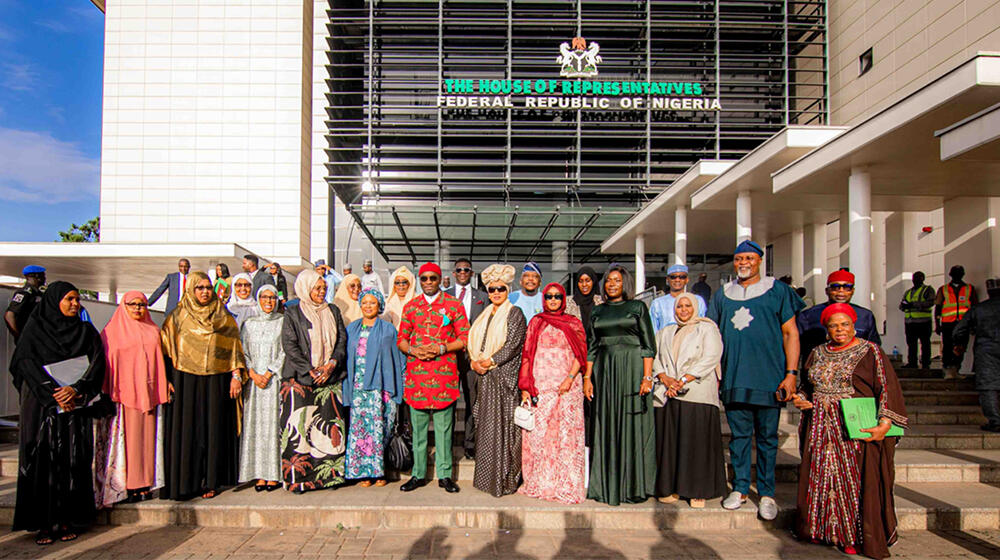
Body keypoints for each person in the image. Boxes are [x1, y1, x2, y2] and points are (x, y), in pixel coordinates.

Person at [792, 303, 907, 559]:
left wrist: (885, 424)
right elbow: (806, 386)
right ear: (826, 329)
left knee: (854, 482)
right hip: (821, 428)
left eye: (844, 324)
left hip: (855, 428)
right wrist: (801, 398)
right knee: (822, 479)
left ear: (854, 325)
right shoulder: (817, 352)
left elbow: (887, 388)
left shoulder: (871, 351)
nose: (839, 329)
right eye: (833, 325)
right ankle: (823, 530)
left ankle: (852, 536)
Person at [709, 240, 804, 520]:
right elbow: (713, 334)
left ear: (759, 260)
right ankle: (739, 488)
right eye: (739, 258)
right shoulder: (723, 294)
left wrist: (791, 374)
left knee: (766, 439)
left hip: (769, 378)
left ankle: (766, 493)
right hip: (735, 377)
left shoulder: (778, 291)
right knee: (738, 438)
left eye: (749, 258)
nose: (743, 263)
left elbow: (791, 334)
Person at [9, 282, 106, 545]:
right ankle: (43, 523)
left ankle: (68, 519)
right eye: (69, 299)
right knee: (43, 460)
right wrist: (54, 392)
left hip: (74, 409)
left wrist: (75, 390)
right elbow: (24, 364)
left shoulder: (86, 331)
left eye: (77, 299)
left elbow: (97, 364)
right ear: (54, 301)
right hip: (43, 409)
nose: (75, 304)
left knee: (72, 460)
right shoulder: (34, 330)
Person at [160, 271, 246, 500]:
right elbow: (165, 352)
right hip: (184, 383)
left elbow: (234, 348)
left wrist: (236, 375)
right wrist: (165, 380)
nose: (205, 291)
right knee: (188, 430)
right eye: (200, 288)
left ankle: (210, 481)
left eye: (208, 287)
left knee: (212, 429)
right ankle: (186, 482)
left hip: (216, 382)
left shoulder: (223, 316)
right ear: (191, 290)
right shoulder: (177, 318)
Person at [585, 264, 657, 506]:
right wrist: (587, 378)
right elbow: (592, 347)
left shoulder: (637, 307)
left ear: (624, 283)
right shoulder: (597, 311)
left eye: (616, 280)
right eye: (608, 281)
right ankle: (605, 486)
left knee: (631, 424)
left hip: (632, 368)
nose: (611, 284)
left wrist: (647, 377)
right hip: (604, 372)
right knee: (606, 424)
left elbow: (648, 345)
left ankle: (632, 486)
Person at [396, 263, 470, 494]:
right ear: (420, 280)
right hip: (417, 376)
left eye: (433, 278)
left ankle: (445, 475)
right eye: (424, 278)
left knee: (444, 430)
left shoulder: (453, 305)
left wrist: (442, 348)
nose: (428, 282)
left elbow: (465, 337)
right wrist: (412, 350)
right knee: (418, 430)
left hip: (443, 376)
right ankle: (418, 474)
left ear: (440, 279)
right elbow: (401, 339)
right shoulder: (411, 306)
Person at [651, 293, 726, 509]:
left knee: (695, 444)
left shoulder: (707, 328)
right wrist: (664, 377)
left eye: (687, 306)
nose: (683, 310)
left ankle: (697, 490)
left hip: (696, 393)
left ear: (695, 307)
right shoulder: (666, 331)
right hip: (669, 393)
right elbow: (654, 356)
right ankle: (672, 487)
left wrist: (683, 380)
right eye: (679, 306)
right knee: (672, 444)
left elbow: (711, 357)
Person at [518, 282, 588, 504]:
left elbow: (581, 355)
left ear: (563, 299)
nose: (553, 300)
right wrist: (525, 386)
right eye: (549, 296)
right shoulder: (536, 322)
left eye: (558, 296)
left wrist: (569, 379)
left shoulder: (574, 323)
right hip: (541, 387)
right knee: (539, 437)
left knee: (565, 437)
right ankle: (541, 482)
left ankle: (564, 484)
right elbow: (527, 355)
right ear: (544, 299)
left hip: (567, 388)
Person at [97, 291, 169, 506]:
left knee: (147, 441)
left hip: (149, 393)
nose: (138, 308)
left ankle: (144, 483)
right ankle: (123, 486)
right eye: (133, 304)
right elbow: (104, 364)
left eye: (142, 305)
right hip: (123, 395)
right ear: (123, 305)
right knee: (126, 441)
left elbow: (161, 360)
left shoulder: (153, 330)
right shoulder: (111, 332)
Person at [280, 270, 348, 493]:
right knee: (301, 430)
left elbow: (341, 340)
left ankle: (329, 477)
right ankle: (299, 479)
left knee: (330, 429)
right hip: (300, 381)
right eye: (317, 289)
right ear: (305, 289)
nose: (321, 292)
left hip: (330, 378)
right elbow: (290, 345)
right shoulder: (292, 312)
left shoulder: (333, 310)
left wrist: (331, 364)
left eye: (324, 289)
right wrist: (310, 370)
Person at [467, 264, 526, 497]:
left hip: (503, 380)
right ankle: (486, 479)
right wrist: (474, 362)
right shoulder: (485, 313)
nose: (496, 293)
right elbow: (474, 342)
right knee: (486, 429)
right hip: (484, 377)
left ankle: (505, 480)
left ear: (508, 289)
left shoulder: (515, 313)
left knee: (505, 431)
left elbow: (513, 345)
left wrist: (488, 362)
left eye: (501, 289)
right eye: (492, 290)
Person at [344, 288, 405, 486]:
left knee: (381, 430)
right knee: (361, 431)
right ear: (360, 305)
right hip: (359, 388)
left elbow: (397, 358)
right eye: (365, 303)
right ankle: (364, 473)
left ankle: (380, 473)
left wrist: (399, 384)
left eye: (372, 303)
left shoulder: (388, 329)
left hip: (381, 388)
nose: (368, 306)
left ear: (379, 305)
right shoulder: (351, 329)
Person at [238, 285, 285, 492]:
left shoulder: (282, 322)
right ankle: (258, 474)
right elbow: (243, 351)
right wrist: (252, 373)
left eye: (272, 297)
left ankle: (273, 474)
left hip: (273, 381)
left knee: (273, 427)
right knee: (255, 428)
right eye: (265, 297)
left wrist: (268, 373)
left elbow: (285, 351)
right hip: (254, 385)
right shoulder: (249, 324)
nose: (269, 301)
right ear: (258, 299)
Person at [445, 258, 487, 459]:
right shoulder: (445, 297)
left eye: (466, 270)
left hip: (472, 358)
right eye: (459, 270)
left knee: (472, 401)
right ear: (454, 273)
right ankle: (448, 444)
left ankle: (470, 444)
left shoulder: (483, 297)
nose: (462, 272)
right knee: (448, 402)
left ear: (471, 273)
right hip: (450, 357)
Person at [796, 269, 882, 365]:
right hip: (817, 373)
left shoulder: (865, 316)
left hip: (856, 374)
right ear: (827, 291)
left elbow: (874, 349)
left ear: (853, 291)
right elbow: (795, 348)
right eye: (835, 287)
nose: (841, 291)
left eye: (847, 287)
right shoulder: (807, 316)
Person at [953, 279, 1000, 432]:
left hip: (986, 351)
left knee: (988, 386)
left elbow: (959, 330)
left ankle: (995, 421)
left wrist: (959, 344)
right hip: (987, 350)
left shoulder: (978, 309)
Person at [936, 265, 979, 377]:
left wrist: (974, 324)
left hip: (963, 323)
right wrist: (937, 324)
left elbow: (975, 307)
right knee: (947, 346)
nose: (957, 275)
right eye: (955, 273)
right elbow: (938, 308)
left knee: (960, 347)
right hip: (948, 323)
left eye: (959, 273)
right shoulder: (943, 289)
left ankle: (955, 369)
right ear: (951, 275)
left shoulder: (969, 288)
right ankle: (947, 368)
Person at [648, 264, 707, 332]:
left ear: (687, 280)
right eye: (673, 277)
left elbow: (702, 326)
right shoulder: (658, 303)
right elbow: (653, 330)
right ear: (667, 280)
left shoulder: (697, 301)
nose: (677, 280)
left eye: (682, 277)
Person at [899, 271, 934, 369]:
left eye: (918, 278)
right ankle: (912, 363)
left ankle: (926, 363)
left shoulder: (927, 290)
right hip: (910, 322)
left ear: (923, 278)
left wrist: (913, 305)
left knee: (925, 343)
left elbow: (930, 302)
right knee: (911, 344)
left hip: (924, 322)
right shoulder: (908, 292)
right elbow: (901, 305)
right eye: (914, 278)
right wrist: (905, 306)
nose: (915, 280)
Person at [5, 264, 46, 342]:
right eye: (43, 275)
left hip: (37, 336)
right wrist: (18, 335)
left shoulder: (37, 293)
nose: (45, 278)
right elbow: (9, 315)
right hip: (28, 338)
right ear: (37, 276)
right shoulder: (24, 293)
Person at [566, 266, 603, 331]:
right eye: (581, 281)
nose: (584, 284)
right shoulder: (568, 303)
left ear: (593, 282)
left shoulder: (601, 302)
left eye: (587, 281)